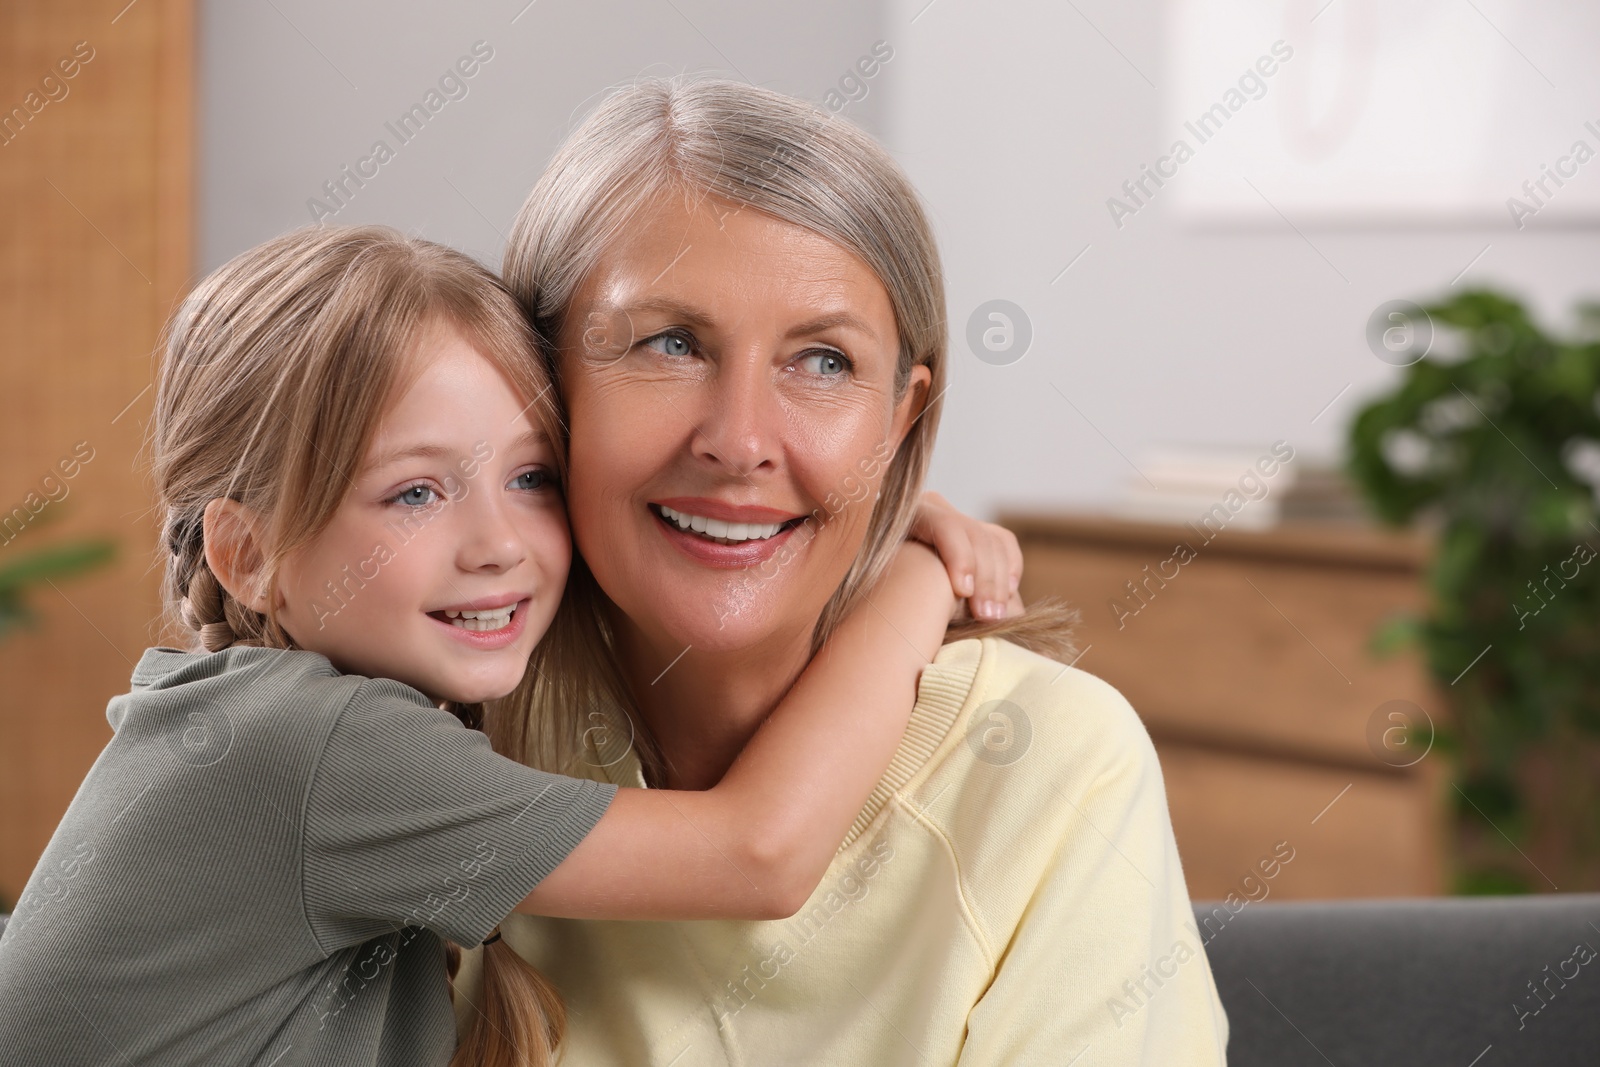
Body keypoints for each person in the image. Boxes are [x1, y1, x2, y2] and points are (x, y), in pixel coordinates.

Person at [0, 225, 1025, 1067]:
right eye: (413, 492)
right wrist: (903, 572)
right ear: (250, 552)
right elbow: (756, 851)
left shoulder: (261, 718)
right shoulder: (316, 743)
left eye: (532, 478)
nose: (496, 546)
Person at [454, 78, 1230, 1064]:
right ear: (539, 381)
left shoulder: (1044, 764)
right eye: (669, 342)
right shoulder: (439, 737)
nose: (738, 442)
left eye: (821, 362)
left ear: (900, 417)